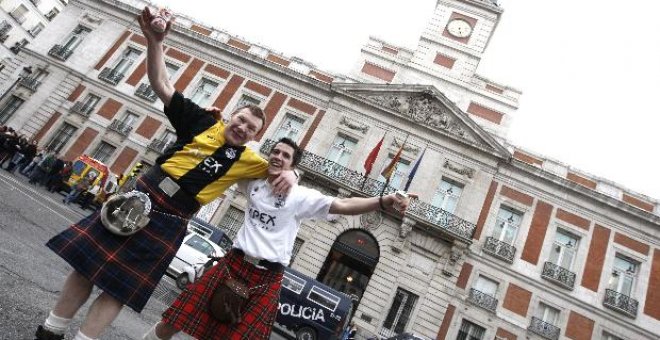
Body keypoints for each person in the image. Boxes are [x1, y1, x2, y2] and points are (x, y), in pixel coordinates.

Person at [33, 7, 297, 340]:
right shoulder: (201, 120)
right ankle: (50, 331)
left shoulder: (249, 160)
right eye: (241, 120)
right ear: (231, 117)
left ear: (256, 137)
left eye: (252, 128)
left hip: (173, 218)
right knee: (86, 267)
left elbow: (280, 168)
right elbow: (161, 84)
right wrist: (155, 40)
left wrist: (294, 175)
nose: (244, 128)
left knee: (118, 288)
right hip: (144, 193)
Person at [141, 138, 415, 340]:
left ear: (293, 165)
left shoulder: (300, 196)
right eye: (275, 152)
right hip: (232, 263)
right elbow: (237, 151)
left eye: (286, 156)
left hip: (267, 277)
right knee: (174, 320)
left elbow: (343, 205)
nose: (278, 157)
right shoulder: (252, 182)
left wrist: (383, 200)